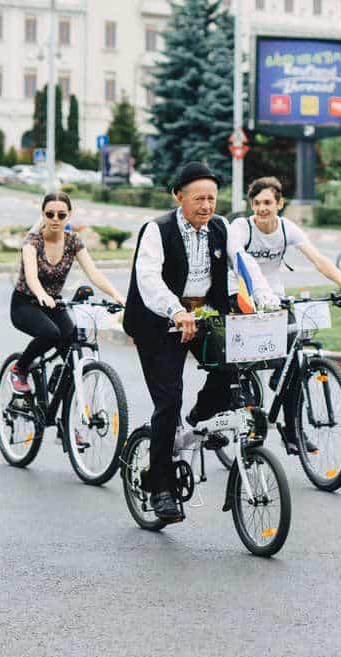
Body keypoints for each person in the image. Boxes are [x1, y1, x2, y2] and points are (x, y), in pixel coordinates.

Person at [123, 162, 277, 523]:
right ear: (179, 197)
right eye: (199, 199)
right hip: (158, 321)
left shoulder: (220, 228)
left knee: (234, 367)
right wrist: (175, 310)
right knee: (168, 399)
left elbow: (245, 265)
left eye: (212, 198)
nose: (207, 206)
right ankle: (159, 486)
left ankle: (195, 425)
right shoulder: (157, 230)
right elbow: (148, 279)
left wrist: (267, 300)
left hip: (203, 315)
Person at [228, 176, 341, 454]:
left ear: (280, 203)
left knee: (292, 366)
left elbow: (318, 259)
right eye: (257, 203)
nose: (262, 208)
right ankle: (250, 421)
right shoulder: (242, 227)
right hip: (240, 293)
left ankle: (292, 431)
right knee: (244, 365)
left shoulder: (288, 230)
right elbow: (239, 257)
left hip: (275, 296)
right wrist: (255, 296)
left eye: (267, 202)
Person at [7, 192, 125, 393]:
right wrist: (41, 294)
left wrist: (117, 295)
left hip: (54, 304)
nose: (55, 219)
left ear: (69, 215)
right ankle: (19, 369)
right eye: (50, 214)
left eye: (61, 215)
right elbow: (31, 277)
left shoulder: (73, 241)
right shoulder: (32, 242)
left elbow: (93, 273)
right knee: (50, 333)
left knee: (72, 350)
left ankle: (62, 418)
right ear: (43, 215)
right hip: (25, 304)